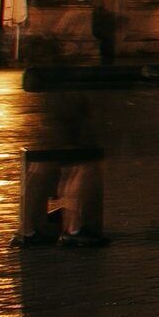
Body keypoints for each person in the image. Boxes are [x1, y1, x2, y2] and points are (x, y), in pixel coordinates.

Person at [12, 70, 110, 248]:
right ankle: (71, 228)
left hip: (58, 95)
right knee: (82, 162)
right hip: (63, 95)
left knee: (50, 163)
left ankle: (34, 229)